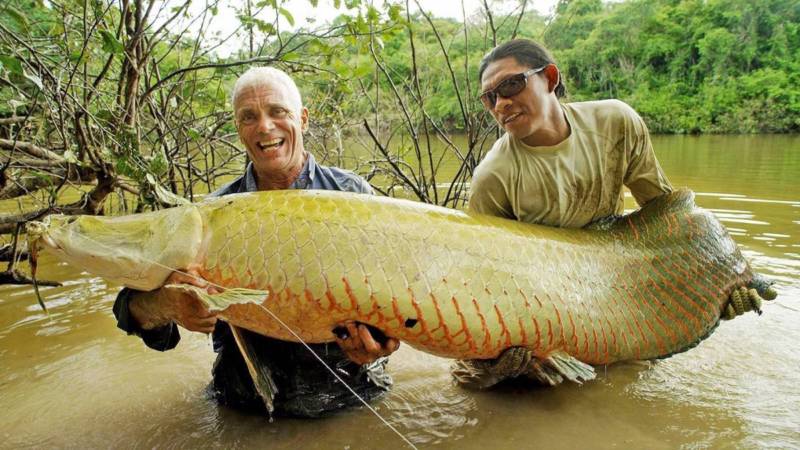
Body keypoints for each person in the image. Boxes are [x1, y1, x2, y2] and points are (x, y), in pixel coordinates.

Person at [113, 67, 400, 417]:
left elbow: (398, 296)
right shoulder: (211, 214)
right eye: (249, 117)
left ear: (303, 119)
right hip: (243, 403)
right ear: (239, 130)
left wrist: (380, 342)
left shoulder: (353, 195)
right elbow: (128, 309)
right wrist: (168, 305)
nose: (265, 126)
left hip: (350, 398)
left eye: (278, 112)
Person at [453, 39, 673, 389]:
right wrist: (498, 356)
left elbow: (664, 215)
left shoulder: (616, 122)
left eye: (510, 85)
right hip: (536, 299)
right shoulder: (493, 175)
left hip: (608, 281)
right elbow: (480, 274)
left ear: (550, 78)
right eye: (489, 97)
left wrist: (723, 276)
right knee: (472, 380)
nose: (501, 104)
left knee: (630, 380)